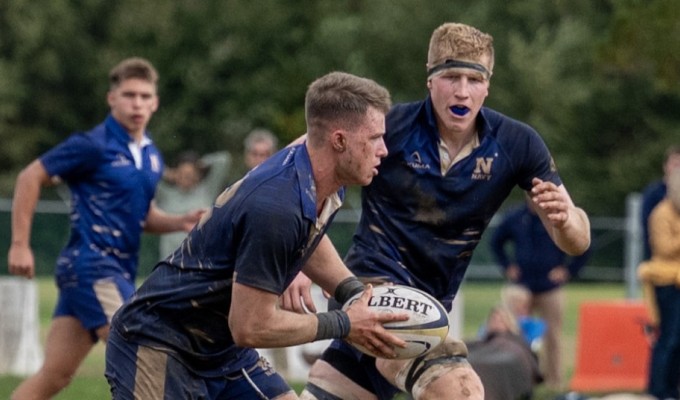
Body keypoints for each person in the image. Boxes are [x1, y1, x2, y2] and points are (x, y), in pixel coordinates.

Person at [285, 22, 591, 400]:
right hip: (368, 289)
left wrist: (566, 220)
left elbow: (578, 240)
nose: (462, 91)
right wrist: (294, 257)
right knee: (459, 391)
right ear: (430, 80)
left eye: (473, 79)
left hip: (431, 306)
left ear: (488, 85)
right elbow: (292, 168)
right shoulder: (388, 126)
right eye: (450, 76)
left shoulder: (516, 143)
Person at [105, 71, 411, 400]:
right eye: (375, 138)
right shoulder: (278, 207)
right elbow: (250, 326)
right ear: (339, 140)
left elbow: (311, 235)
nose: (384, 149)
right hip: (158, 342)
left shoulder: (319, 169)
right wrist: (344, 323)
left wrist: (352, 290)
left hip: (222, 351)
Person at [6, 57, 204, 400]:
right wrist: (20, 244)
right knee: (145, 354)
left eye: (145, 96)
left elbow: (142, 217)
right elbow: (30, 176)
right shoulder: (93, 144)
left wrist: (180, 221)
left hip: (109, 273)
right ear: (111, 98)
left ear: (155, 102)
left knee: (55, 376)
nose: (137, 103)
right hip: (92, 267)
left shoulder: (152, 156)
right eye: (129, 95)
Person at [490, 199, 591, 389]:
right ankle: (516, 378)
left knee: (553, 335)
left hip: (550, 286)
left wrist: (568, 270)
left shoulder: (558, 217)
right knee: (512, 330)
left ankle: (554, 382)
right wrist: (507, 266)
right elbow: (496, 242)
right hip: (522, 284)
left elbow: (583, 244)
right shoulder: (515, 218)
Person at [637, 168, 680, 399]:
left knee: (678, 339)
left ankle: (672, 388)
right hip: (665, 282)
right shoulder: (661, 214)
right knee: (668, 337)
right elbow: (664, 249)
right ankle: (658, 388)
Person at [155, 150, 231, 258]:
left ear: (197, 175)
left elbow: (223, 160)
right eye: (182, 174)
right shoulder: (165, 195)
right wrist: (166, 173)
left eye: (190, 174)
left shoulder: (207, 191)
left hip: (199, 261)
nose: (186, 178)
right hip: (170, 262)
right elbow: (144, 172)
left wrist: (201, 163)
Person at [466, 305, 542, 400]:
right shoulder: (484, 341)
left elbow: (517, 354)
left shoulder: (514, 341)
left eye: (500, 320)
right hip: (485, 357)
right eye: (493, 319)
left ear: (509, 322)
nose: (496, 323)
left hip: (505, 361)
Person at [640, 145, 680, 261]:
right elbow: (646, 224)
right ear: (665, 166)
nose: (677, 168)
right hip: (659, 255)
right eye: (674, 164)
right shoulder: (654, 193)